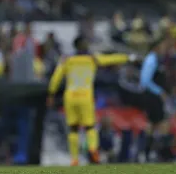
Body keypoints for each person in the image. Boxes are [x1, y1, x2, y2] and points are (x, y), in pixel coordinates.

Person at [47, 36, 134, 166]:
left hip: (70, 96)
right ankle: (93, 150)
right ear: (83, 45)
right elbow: (110, 59)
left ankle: (74, 159)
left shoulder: (67, 60)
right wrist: (128, 57)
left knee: (73, 128)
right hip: (85, 96)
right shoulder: (92, 58)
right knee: (90, 127)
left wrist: (51, 93)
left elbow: (56, 77)